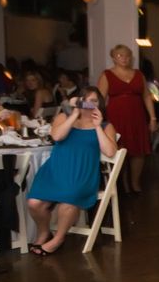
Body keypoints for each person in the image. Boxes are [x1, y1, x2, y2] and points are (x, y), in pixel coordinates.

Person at [26, 87, 118, 256]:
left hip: (82, 172)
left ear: (100, 104)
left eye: (94, 101)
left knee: (68, 201)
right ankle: (44, 232)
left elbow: (111, 152)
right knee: (34, 203)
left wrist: (97, 127)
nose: (89, 104)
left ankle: (58, 239)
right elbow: (57, 137)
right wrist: (74, 114)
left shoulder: (106, 125)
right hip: (56, 169)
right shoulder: (64, 117)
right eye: (85, 100)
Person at [98, 44, 156, 193]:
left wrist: (153, 118)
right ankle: (122, 184)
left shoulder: (138, 74)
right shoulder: (107, 75)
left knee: (138, 151)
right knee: (120, 149)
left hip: (137, 116)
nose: (124, 58)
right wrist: (99, 122)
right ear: (113, 57)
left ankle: (135, 183)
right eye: (120, 55)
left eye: (127, 55)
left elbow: (146, 96)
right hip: (116, 118)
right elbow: (100, 100)